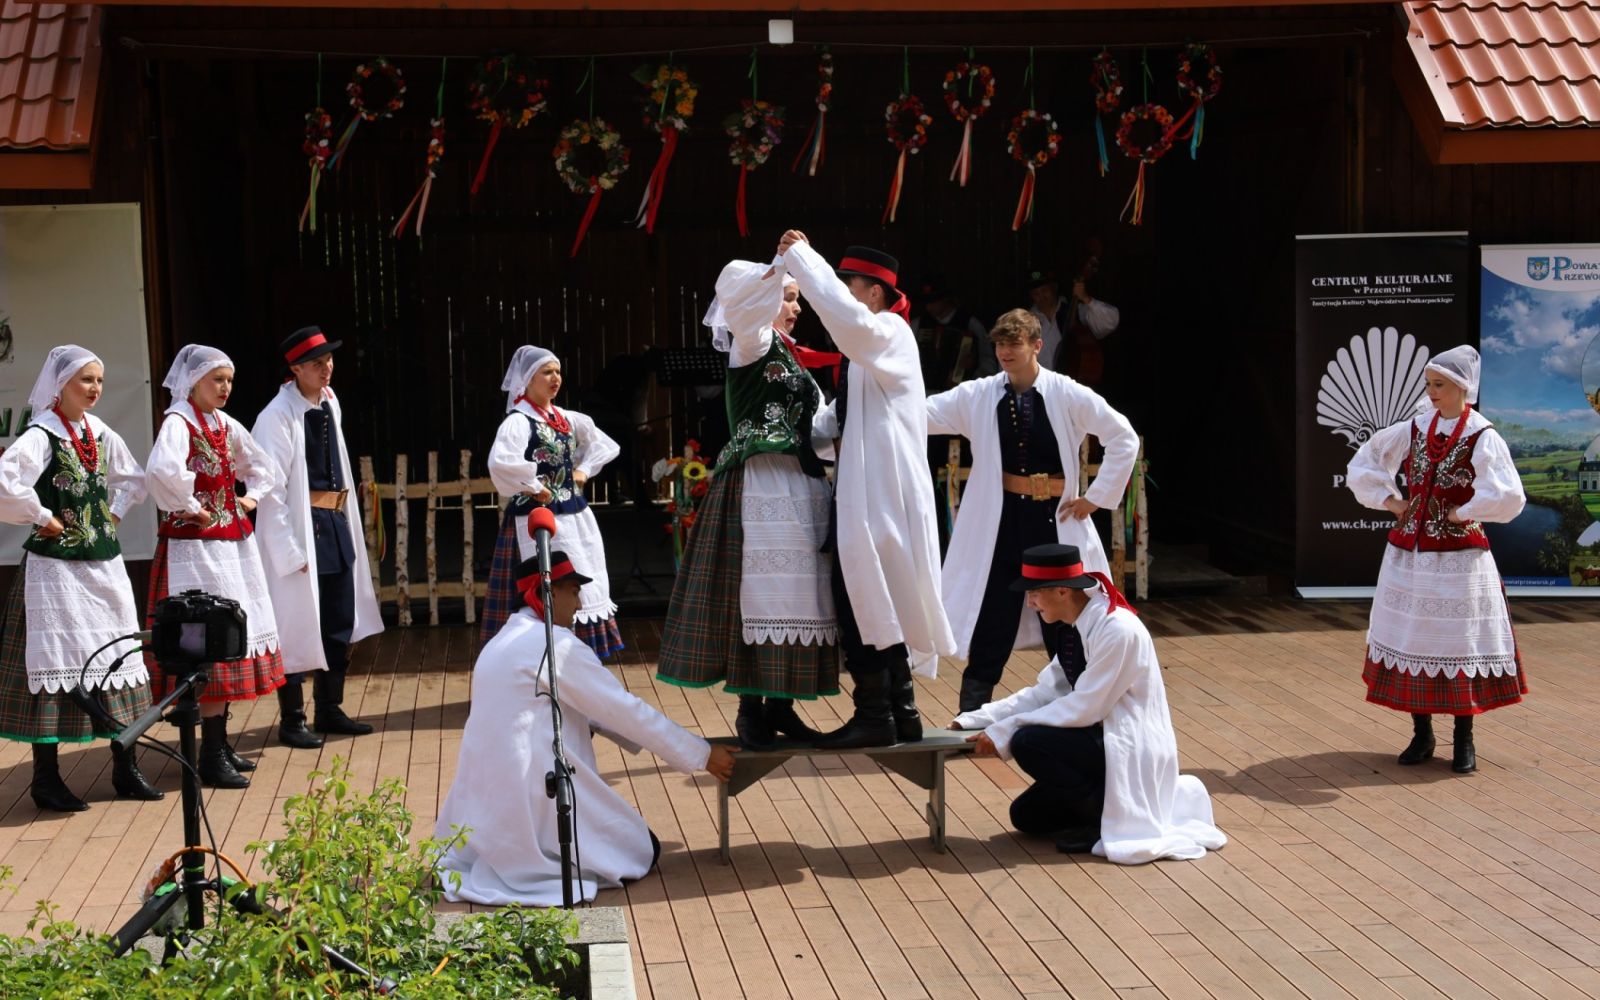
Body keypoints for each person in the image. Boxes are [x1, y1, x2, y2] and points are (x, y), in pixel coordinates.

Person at [435, 548, 737, 906]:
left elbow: (601, 713)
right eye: (574, 592)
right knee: (644, 850)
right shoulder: (554, 646)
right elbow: (624, 711)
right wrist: (702, 755)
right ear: (548, 592)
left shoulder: (500, 642)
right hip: (531, 797)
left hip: (482, 807)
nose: (579, 605)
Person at [778, 231, 956, 749]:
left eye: (850, 284)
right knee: (879, 598)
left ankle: (877, 715)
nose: (845, 293)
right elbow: (836, 420)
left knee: (858, 599)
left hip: (882, 494)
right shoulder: (869, 351)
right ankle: (901, 711)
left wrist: (803, 259)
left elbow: (847, 322)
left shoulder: (889, 331)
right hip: (871, 491)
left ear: (874, 292)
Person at [655, 260, 837, 749]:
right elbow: (740, 299)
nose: (797, 307)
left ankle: (781, 707)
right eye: (789, 297)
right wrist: (780, 264)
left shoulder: (795, 359)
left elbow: (819, 429)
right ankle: (751, 711)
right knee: (759, 593)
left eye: (797, 298)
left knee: (799, 596)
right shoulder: (752, 342)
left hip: (800, 484)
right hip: (760, 484)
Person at [953, 544, 1226, 862]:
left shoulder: (1118, 630)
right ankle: (1099, 805)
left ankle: (1101, 821)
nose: (1029, 603)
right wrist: (974, 718)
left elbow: (1086, 707)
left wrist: (1005, 730)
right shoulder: (1075, 628)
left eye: (1034, 593)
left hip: (1127, 743)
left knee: (1028, 742)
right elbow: (1043, 693)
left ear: (1062, 591)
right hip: (1096, 738)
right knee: (1026, 817)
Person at [927, 309, 1139, 712]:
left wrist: (1096, 497)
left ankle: (1078, 708)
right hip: (1003, 522)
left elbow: (1122, 436)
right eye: (1000, 344)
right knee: (994, 614)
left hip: (1053, 523)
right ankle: (971, 714)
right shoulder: (981, 393)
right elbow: (921, 413)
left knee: (1064, 614)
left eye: (1014, 344)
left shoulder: (1065, 392)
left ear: (1037, 346)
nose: (1004, 352)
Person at [1346, 345, 1526, 774]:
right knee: (1414, 637)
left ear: (1463, 387)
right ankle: (1422, 733)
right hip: (1410, 554)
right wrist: (1392, 501)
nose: (1431, 392)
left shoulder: (1482, 434)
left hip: (1460, 559)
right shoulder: (1415, 427)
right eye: (1429, 384)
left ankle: (1464, 738)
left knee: (1459, 640)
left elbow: (1508, 495)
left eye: (1439, 385)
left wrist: (1463, 513)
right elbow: (1365, 461)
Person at [0, 347, 162, 811]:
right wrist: (41, 516)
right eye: (85, 380)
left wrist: (113, 513)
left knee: (116, 655)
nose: (94, 388)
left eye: (99, 380)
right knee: (56, 661)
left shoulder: (98, 431)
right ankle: (46, 778)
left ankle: (125, 767)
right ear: (61, 385)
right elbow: (6, 480)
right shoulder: (41, 434)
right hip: (55, 570)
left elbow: (134, 478)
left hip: (103, 565)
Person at [144, 345, 286, 789]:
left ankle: (218, 744)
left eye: (229, 380)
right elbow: (161, 471)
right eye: (217, 380)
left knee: (227, 636)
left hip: (230, 549)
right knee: (203, 640)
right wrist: (191, 506)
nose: (225, 388)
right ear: (194, 382)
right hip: (194, 553)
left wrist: (250, 498)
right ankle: (209, 753)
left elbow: (262, 466)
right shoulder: (178, 422)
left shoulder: (224, 424)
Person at [252, 326, 384, 747]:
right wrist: (289, 551)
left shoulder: (329, 400)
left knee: (338, 618)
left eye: (328, 360)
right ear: (294, 369)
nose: (326, 369)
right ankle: (293, 719)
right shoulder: (276, 416)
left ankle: (329, 707)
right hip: (301, 528)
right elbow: (270, 490)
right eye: (315, 363)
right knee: (294, 621)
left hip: (334, 524)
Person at [481, 347, 624, 658]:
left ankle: (579, 659)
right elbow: (501, 462)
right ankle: (533, 658)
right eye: (547, 372)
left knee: (578, 580)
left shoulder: (566, 418)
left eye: (557, 371)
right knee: (542, 583)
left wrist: (584, 469)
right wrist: (534, 485)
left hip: (575, 517)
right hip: (535, 521)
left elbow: (605, 445)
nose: (555, 378)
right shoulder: (519, 422)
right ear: (528, 380)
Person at [1026, 266, 1119, 383]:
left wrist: (1086, 298)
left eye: (1045, 291)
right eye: (1035, 294)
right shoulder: (1025, 322)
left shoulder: (1076, 311)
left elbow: (1110, 322)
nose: (1041, 297)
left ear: (1054, 287)